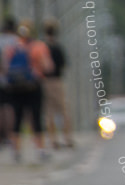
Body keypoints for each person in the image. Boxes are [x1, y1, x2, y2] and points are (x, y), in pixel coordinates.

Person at [2, 22, 53, 162]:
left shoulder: (11, 48)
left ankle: (16, 152)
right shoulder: (39, 46)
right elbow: (47, 66)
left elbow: (6, 68)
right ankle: (41, 150)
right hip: (33, 87)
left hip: (15, 88)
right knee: (36, 118)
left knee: (16, 119)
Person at [42, 20, 74, 149]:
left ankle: (53, 140)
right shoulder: (58, 46)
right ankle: (67, 138)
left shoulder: (42, 46)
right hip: (57, 81)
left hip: (44, 81)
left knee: (49, 112)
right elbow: (64, 64)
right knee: (63, 110)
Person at [0, 16, 17, 150]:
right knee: (10, 108)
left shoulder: (1, 40)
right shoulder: (17, 41)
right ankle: (10, 136)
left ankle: (2, 136)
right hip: (13, 80)